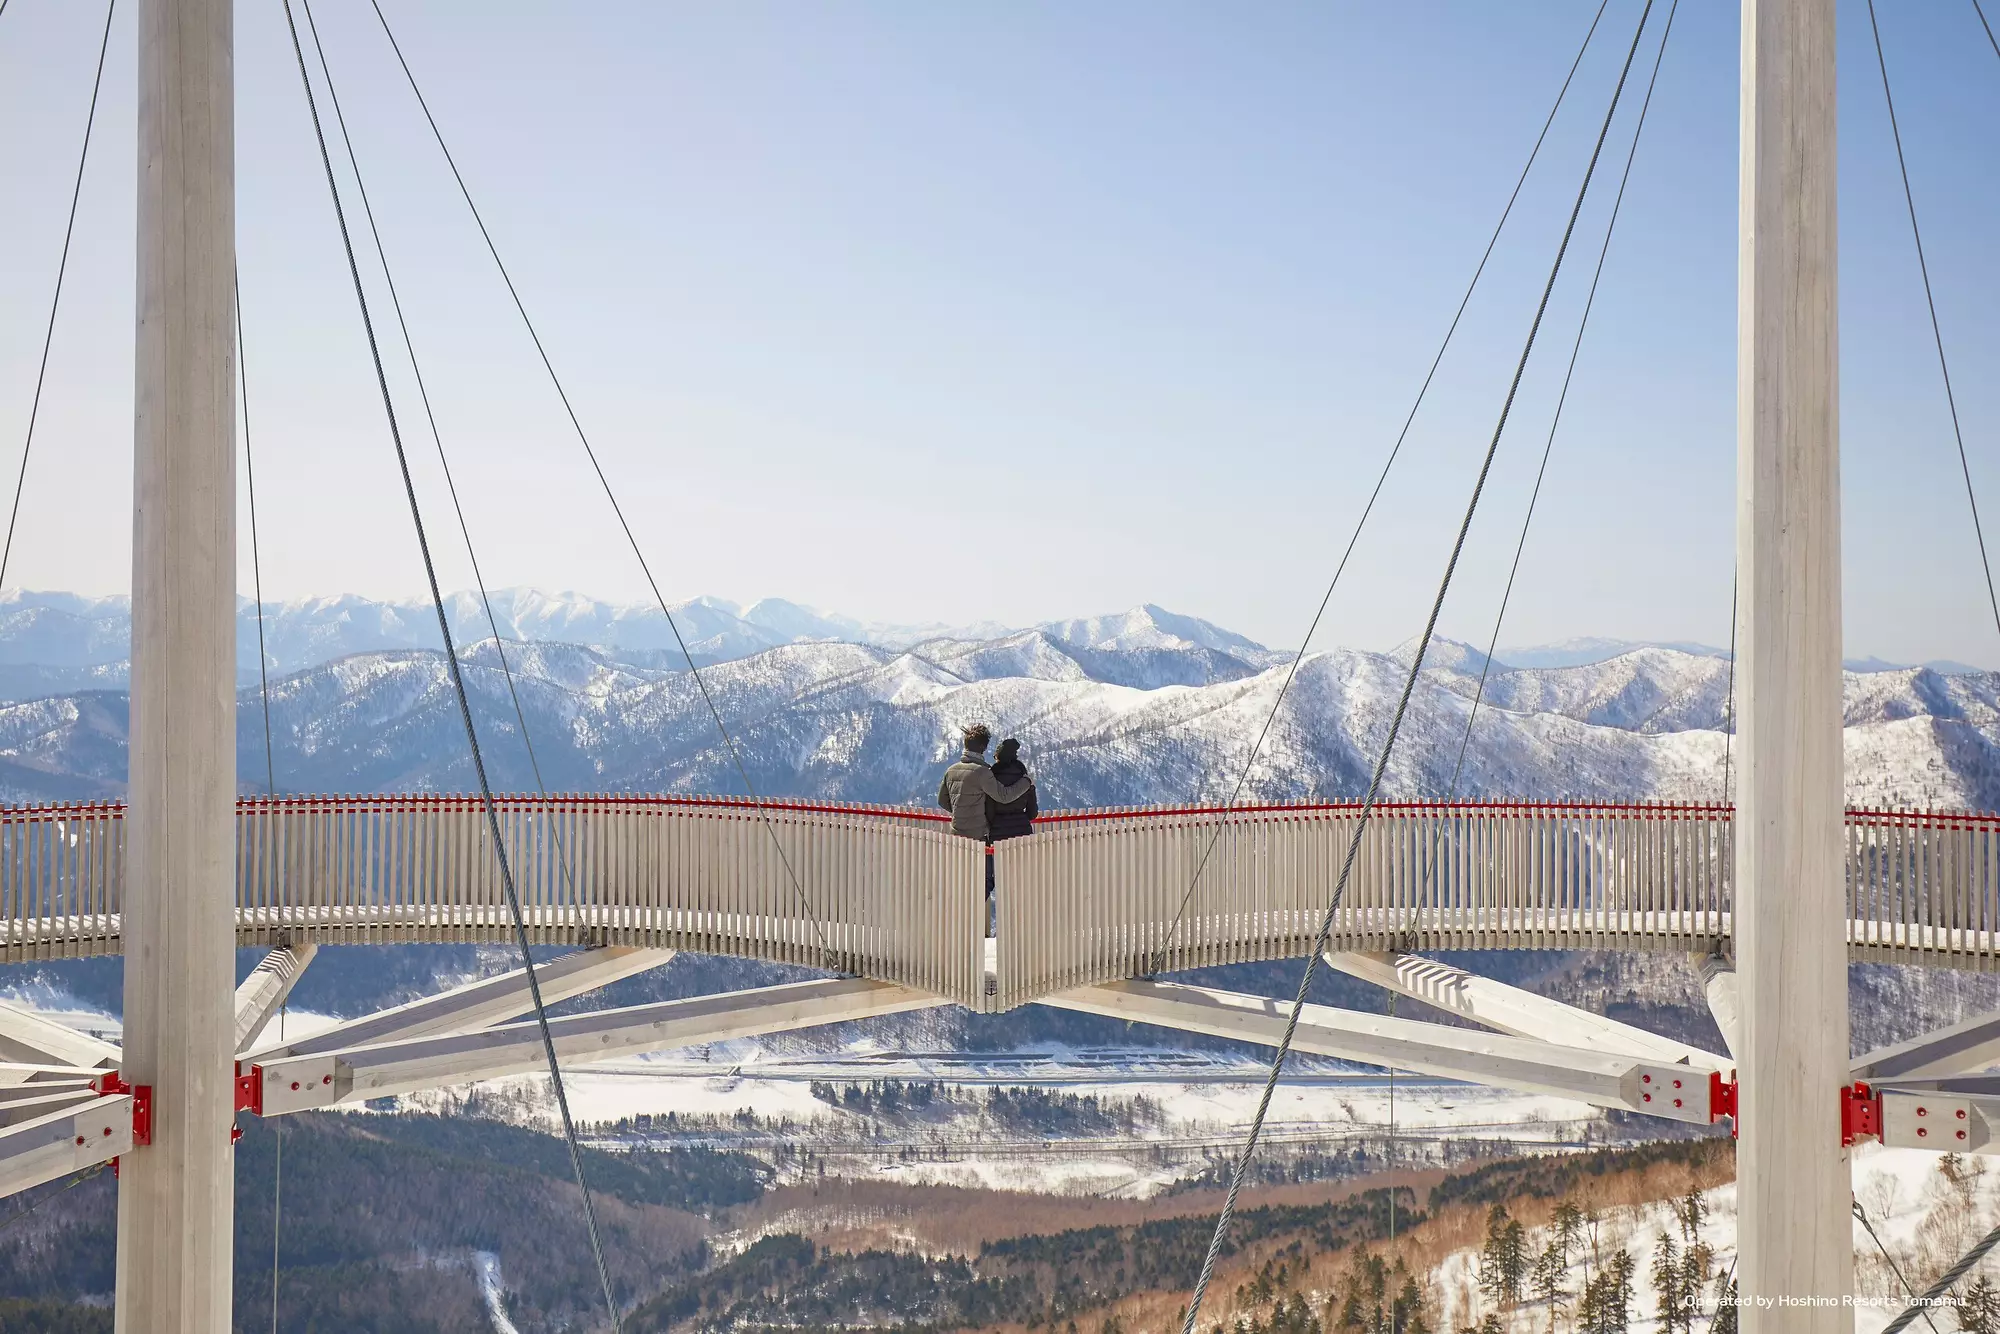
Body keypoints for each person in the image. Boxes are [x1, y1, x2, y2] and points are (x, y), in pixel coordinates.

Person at [936, 724, 1033, 938]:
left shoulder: (951, 771)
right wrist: (1026, 783)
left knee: (961, 882)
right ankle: (968, 927)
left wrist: (960, 811)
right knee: (984, 883)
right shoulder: (983, 773)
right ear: (982, 747)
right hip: (979, 837)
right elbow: (1004, 796)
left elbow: (942, 800)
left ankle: (954, 925)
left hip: (956, 834)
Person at [985, 737, 1037, 842]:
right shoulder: (1024, 777)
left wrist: (995, 823)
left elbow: (989, 809)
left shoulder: (992, 776)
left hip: (998, 832)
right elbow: (1032, 813)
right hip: (1023, 831)